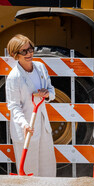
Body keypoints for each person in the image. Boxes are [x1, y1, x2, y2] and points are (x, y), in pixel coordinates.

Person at [6, 34, 56, 177]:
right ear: (15, 54)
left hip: (43, 125)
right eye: (24, 51)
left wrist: (47, 94)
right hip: (26, 129)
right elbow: (14, 106)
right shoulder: (14, 77)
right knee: (30, 170)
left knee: (48, 169)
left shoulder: (40, 67)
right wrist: (24, 124)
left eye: (30, 49)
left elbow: (51, 91)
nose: (29, 54)